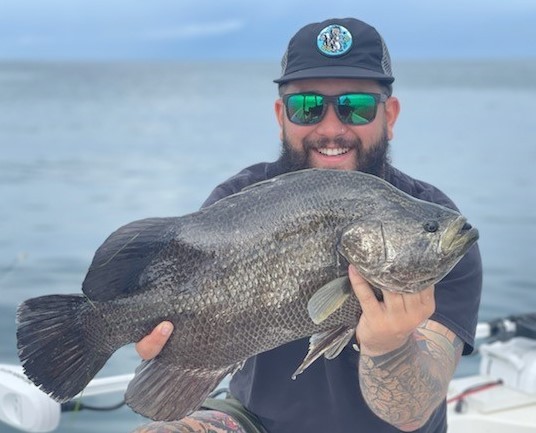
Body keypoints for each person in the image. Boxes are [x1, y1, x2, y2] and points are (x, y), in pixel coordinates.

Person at [132, 17, 482, 433]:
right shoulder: (237, 201)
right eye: (307, 106)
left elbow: (412, 412)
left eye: (356, 106)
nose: (332, 128)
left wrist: (388, 347)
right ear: (281, 115)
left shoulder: (430, 225)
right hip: (255, 422)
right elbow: (173, 311)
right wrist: (156, 337)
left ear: (390, 114)